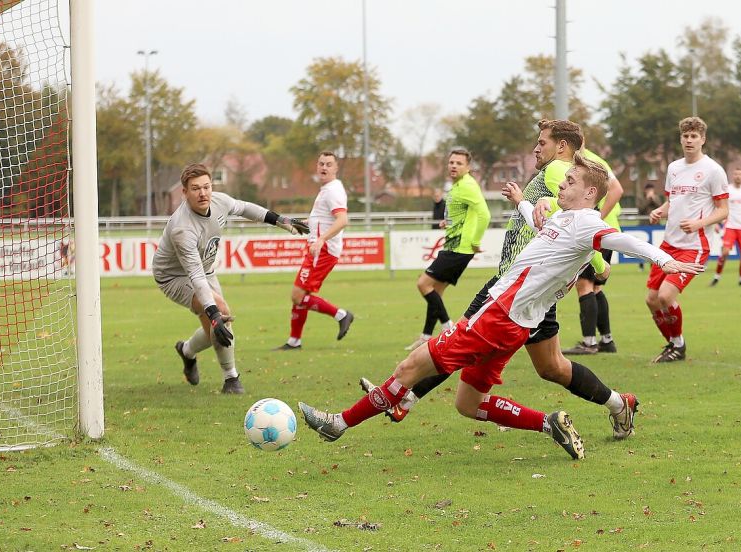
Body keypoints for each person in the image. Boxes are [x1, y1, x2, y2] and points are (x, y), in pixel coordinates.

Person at [299, 153, 705, 459]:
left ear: (590, 193)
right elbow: (537, 221)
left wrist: (665, 260)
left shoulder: (587, 224)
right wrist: (521, 202)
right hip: (515, 323)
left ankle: (340, 423)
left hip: (497, 317)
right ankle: (548, 423)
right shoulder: (563, 219)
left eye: (570, 182)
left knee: (409, 369)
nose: (561, 186)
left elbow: (623, 240)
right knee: (467, 404)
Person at [363, 120, 641, 440]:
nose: (535, 149)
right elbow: (608, 195)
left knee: (466, 340)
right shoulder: (585, 163)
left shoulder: (558, 171)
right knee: (552, 367)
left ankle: (403, 398)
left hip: (518, 287)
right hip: (522, 285)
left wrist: (596, 261)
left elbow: (575, 221)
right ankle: (619, 403)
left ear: (561, 146)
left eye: (542, 143)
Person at [154, 163, 309, 394]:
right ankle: (231, 380)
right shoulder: (181, 229)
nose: (203, 193)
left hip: (205, 271)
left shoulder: (219, 201)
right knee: (220, 312)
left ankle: (186, 351)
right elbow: (194, 274)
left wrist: (280, 220)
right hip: (174, 277)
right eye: (195, 188)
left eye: (206, 187)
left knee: (215, 328)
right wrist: (214, 313)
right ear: (184, 192)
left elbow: (245, 208)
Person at [646, 116, 729, 362]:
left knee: (665, 296)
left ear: (703, 139)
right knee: (651, 300)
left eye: (694, 136)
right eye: (686, 136)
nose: (690, 140)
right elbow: (673, 201)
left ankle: (679, 344)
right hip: (668, 243)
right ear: (681, 139)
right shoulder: (674, 168)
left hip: (694, 246)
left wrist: (699, 224)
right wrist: (660, 211)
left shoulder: (713, 170)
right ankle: (672, 344)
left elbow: (723, 210)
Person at [405, 148, 490, 351]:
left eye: (459, 163)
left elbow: (484, 214)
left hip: (460, 249)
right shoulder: (457, 186)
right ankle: (426, 336)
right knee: (436, 293)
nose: (453, 166)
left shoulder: (468, 185)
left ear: (468, 167)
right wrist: (447, 222)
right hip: (453, 245)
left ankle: (449, 329)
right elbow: (461, 212)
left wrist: (476, 241)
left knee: (423, 284)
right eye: (451, 162)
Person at [276, 151, 355, 350]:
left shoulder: (333, 190)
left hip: (324, 250)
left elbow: (342, 220)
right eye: (321, 163)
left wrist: (321, 239)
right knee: (300, 294)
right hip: (317, 248)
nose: (324, 167)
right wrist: (306, 224)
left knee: (297, 295)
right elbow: (324, 219)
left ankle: (342, 315)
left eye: (329, 164)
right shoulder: (327, 189)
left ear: (336, 168)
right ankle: (294, 341)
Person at [562, 146, 624, 355]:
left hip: (597, 231)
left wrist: (596, 217)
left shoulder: (588, 162)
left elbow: (616, 190)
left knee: (584, 285)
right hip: (607, 230)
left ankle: (589, 343)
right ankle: (607, 340)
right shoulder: (593, 161)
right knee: (596, 287)